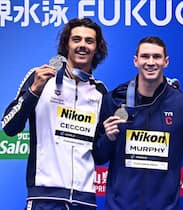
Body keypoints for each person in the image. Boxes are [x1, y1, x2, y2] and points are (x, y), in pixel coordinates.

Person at [1, 18, 108, 210]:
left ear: (96, 48)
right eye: (76, 39)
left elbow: (100, 155)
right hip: (45, 197)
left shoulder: (100, 92)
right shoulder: (40, 77)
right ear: (66, 44)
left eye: (89, 41)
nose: (82, 45)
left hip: (84, 200)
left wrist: (110, 135)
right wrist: (34, 90)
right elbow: (9, 127)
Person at [93, 36, 183, 210]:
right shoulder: (115, 99)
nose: (151, 62)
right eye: (145, 56)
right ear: (136, 61)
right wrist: (108, 138)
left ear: (166, 62)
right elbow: (99, 157)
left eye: (157, 57)